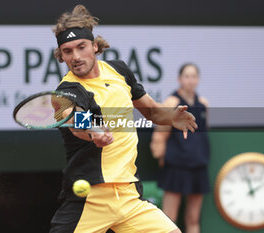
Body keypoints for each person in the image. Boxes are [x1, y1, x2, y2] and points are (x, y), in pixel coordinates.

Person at [49, 5, 197, 233]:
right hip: (90, 197)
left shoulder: (119, 71)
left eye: (81, 47)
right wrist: (93, 131)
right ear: (62, 56)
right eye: (67, 51)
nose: (76, 57)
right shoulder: (67, 91)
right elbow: (74, 120)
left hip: (128, 195)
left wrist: (170, 117)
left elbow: (151, 111)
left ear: (95, 46)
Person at [150, 63, 210, 233]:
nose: (190, 80)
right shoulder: (172, 102)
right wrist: (161, 156)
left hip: (198, 166)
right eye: (187, 76)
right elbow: (161, 133)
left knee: (193, 218)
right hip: (176, 166)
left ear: (197, 79)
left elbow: (204, 132)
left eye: (193, 76)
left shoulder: (203, 103)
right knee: (169, 219)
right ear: (179, 79)